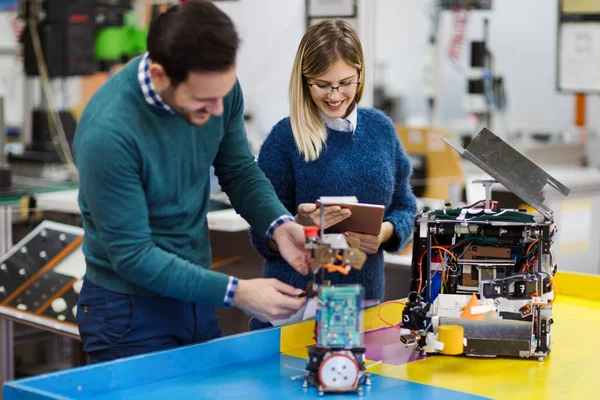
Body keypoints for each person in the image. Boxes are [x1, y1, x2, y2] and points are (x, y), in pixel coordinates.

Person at [72, 1, 311, 363]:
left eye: (224, 94)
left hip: (195, 294)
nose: (218, 109)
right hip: (127, 311)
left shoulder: (218, 89)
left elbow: (238, 169)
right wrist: (238, 292)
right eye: (203, 101)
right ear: (158, 76)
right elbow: (134, 256)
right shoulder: (108, 133)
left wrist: (279, 224)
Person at [250, 19, 417, 329]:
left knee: (353, 373)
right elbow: (260, 232)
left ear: (360, 74)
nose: (335, 95)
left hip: (363, 303)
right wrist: (296, 226)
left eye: (345, 82)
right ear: (304, 81)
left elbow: (405, 204)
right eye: (322, 84)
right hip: (295, 307)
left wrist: (386, 233)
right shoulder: (285, 138)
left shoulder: (380, 129)